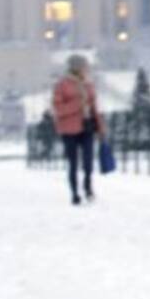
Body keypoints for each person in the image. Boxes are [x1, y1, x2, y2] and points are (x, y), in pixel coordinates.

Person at [52, 54, 104, 205]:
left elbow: (94, 107)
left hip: (87, 126)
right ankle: (74, 193)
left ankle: (88, 186)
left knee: (88, 160)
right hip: (69, 129)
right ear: (76, 68)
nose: (86, 69)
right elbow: (58, 109)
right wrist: (77, 104)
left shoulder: (88, 84)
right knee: (73, 162)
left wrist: (100, 127)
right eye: (84, 66)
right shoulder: (62, 85)